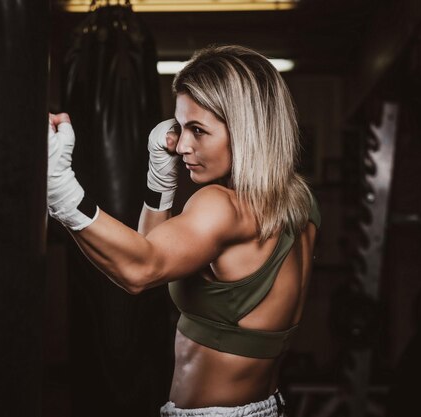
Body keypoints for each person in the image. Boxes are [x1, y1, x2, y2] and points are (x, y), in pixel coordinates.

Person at [47, 44, 320, 417]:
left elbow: (140, 270)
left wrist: (62, 191)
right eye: (180, 127)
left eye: (198, 130)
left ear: (244, 131)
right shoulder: (300, 204)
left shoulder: (222, 205)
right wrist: (161, 180)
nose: (183, 146)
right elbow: (153, 250)